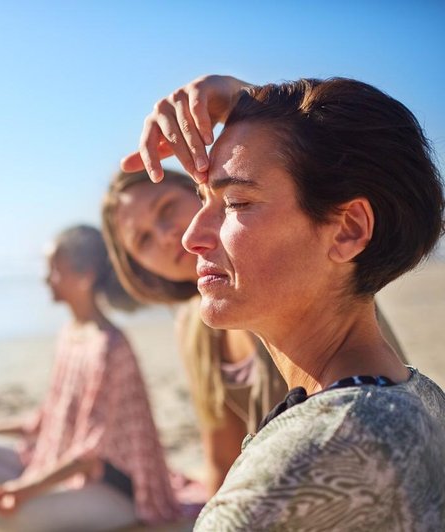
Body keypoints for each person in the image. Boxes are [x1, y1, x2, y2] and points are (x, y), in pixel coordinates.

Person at [124, 74, 445, 529]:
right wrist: (257, 106)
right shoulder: (417, 397)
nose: (191, 237)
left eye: (234, 202)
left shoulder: (297, 470)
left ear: (350, 229)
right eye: (201, 198)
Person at [101, 168, 407, 495]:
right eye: (143, 239)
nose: (164, 235)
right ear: (139, 266)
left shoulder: (292, 276)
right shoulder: (195, 325)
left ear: (202, 193)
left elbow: (378, 412)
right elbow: (222, 460)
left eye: (166, 208)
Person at [0, 225, 204, 531]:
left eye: (54, 269)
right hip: (60, 466)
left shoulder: (110, 346)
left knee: (2, 520)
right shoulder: (70, 334)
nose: (45, 278)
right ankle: (51, 496)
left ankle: (65, 502)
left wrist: (24, 491)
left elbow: (89, 454)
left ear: (86, 276)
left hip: (113, 489)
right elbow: (49, 418)